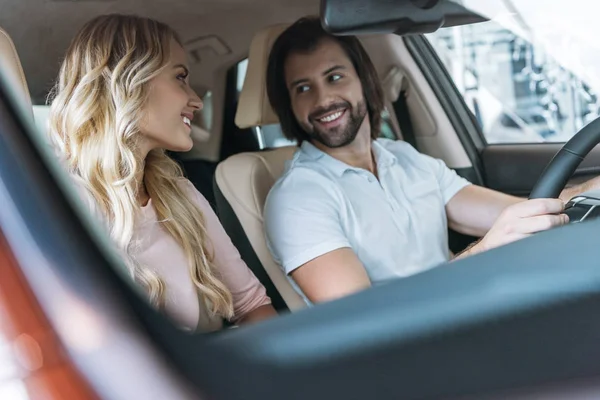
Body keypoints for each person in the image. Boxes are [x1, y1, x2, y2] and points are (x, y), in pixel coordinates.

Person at [263, 16, 600, 304]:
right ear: (290, 106)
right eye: (303, 89)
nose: (324, 99)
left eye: (335, 77)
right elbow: (359, 318)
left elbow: (524, 212)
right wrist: (481, 255)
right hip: (398, 359)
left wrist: (592, 187)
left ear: (364, 80)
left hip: (465, 314)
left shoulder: (404, 158)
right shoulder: (297, 198)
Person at [47, 14, 277, 331]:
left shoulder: (180, 195)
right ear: (129, 81)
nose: (196, 100)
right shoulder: (61, 200)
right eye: (180, 77)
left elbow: (252, 306)